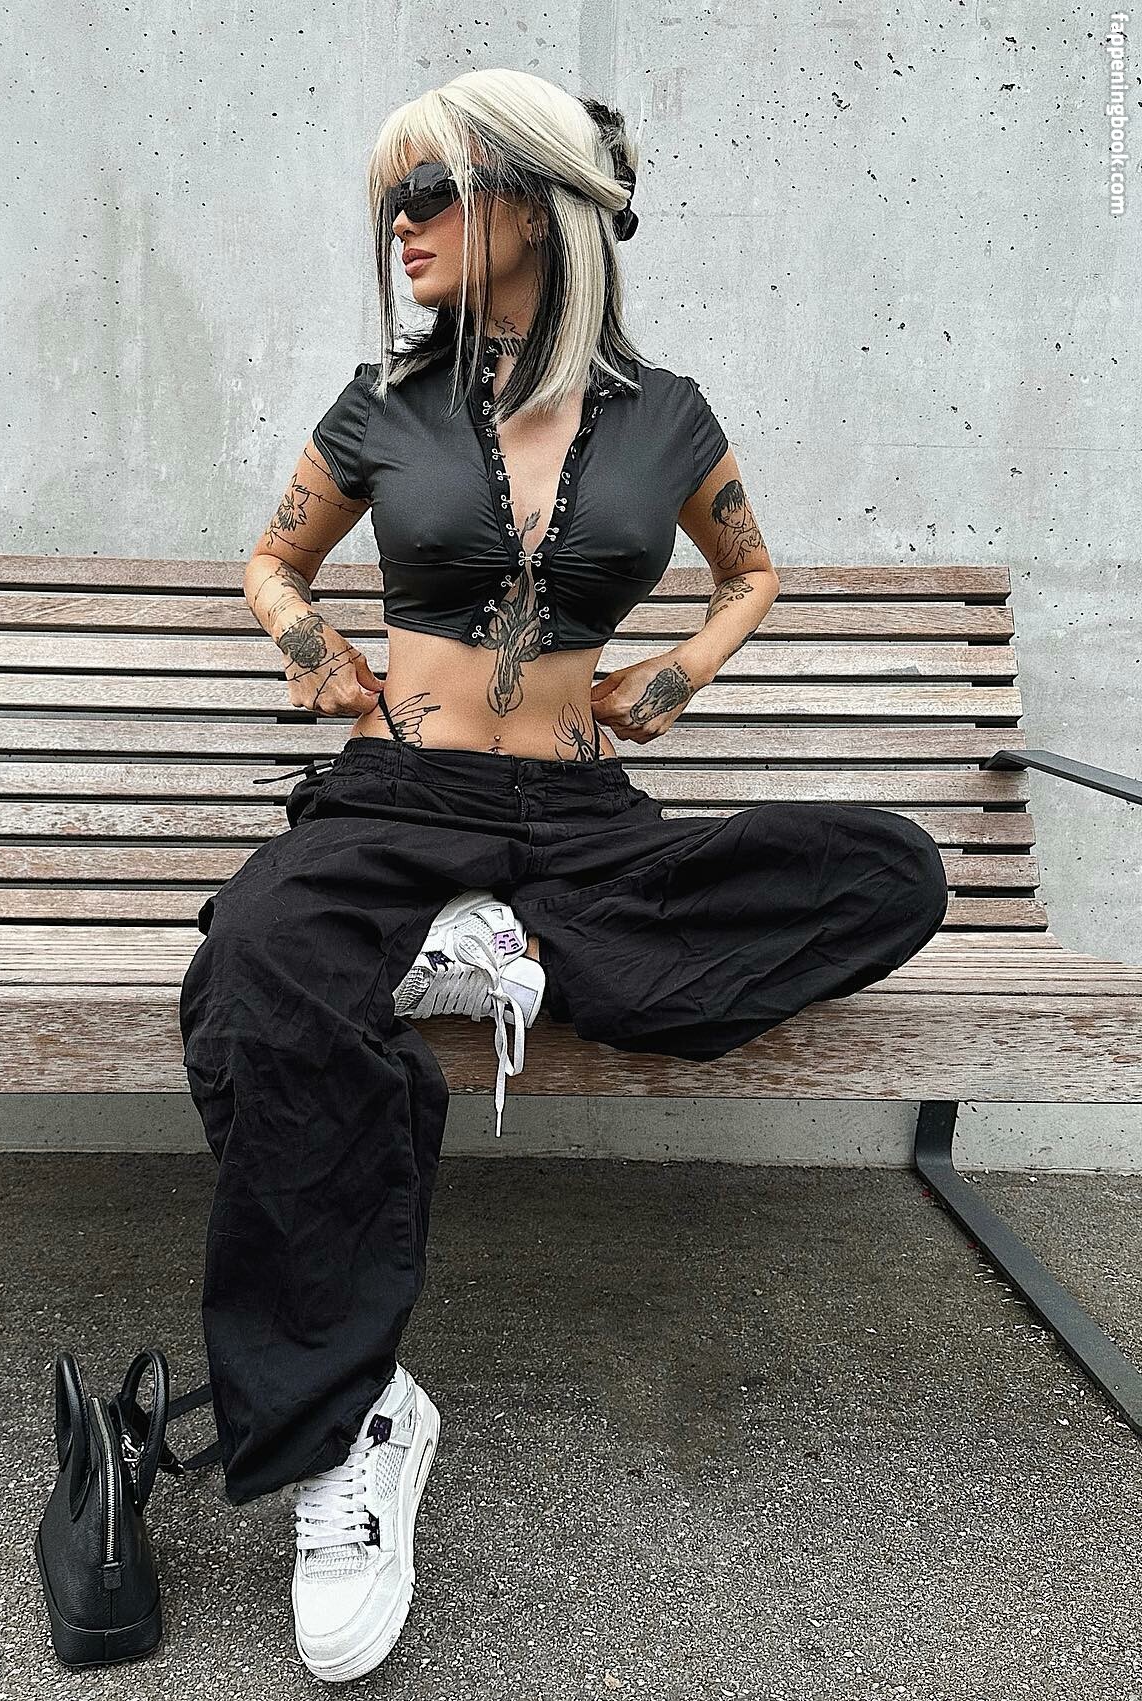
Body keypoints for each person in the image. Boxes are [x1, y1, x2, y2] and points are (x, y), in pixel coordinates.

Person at [177, 67, 948, 1683]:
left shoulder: (670, 417)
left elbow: (751, 573)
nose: (399, 228)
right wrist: (307, 638)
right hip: (401, 792)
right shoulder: (379, 406)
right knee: (255, 959)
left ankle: (496, 942)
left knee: (889, 871)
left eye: (429, 194)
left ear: (533, 204)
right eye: (390, 201)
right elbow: (272, 555)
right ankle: (347, 1419)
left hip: (581, 816)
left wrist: (674, 676)